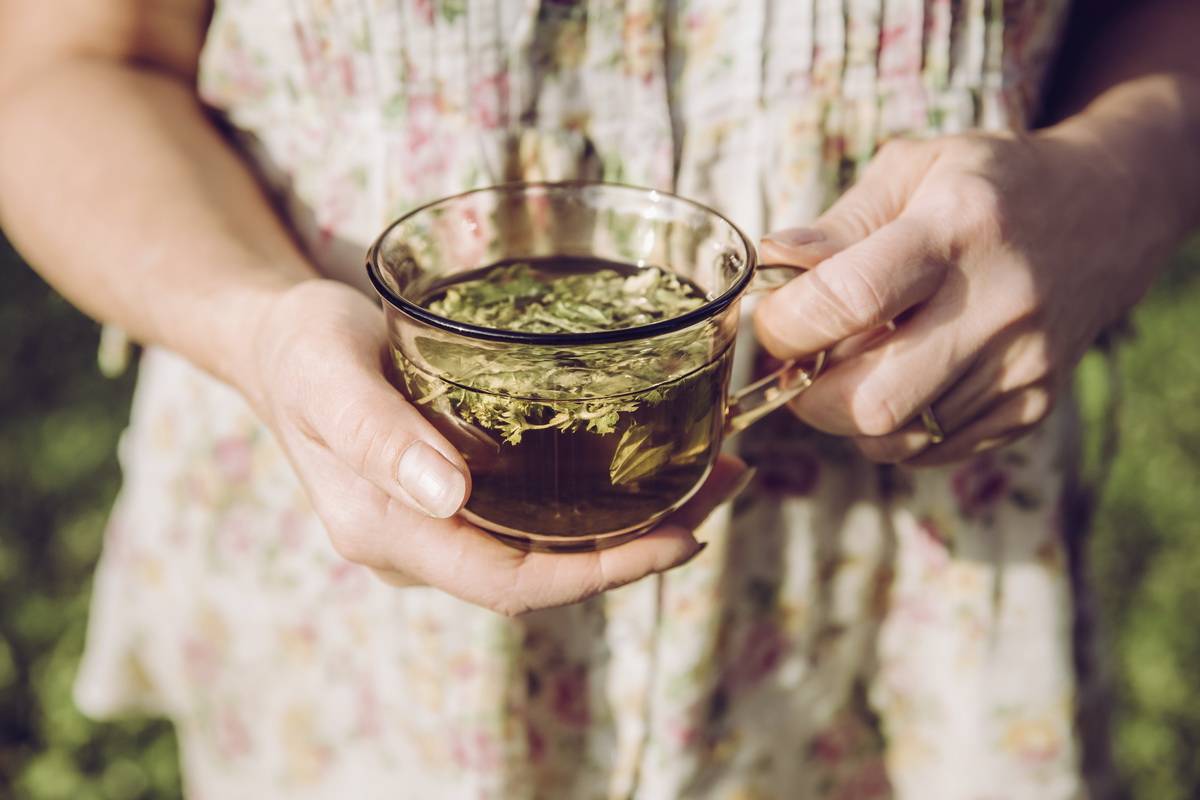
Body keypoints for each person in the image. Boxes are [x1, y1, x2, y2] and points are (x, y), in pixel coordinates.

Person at [0, 0, 1196, 796]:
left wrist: (1126, 171)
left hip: (904, 553)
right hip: (356, 559)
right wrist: (255, 326)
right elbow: (60, 64)